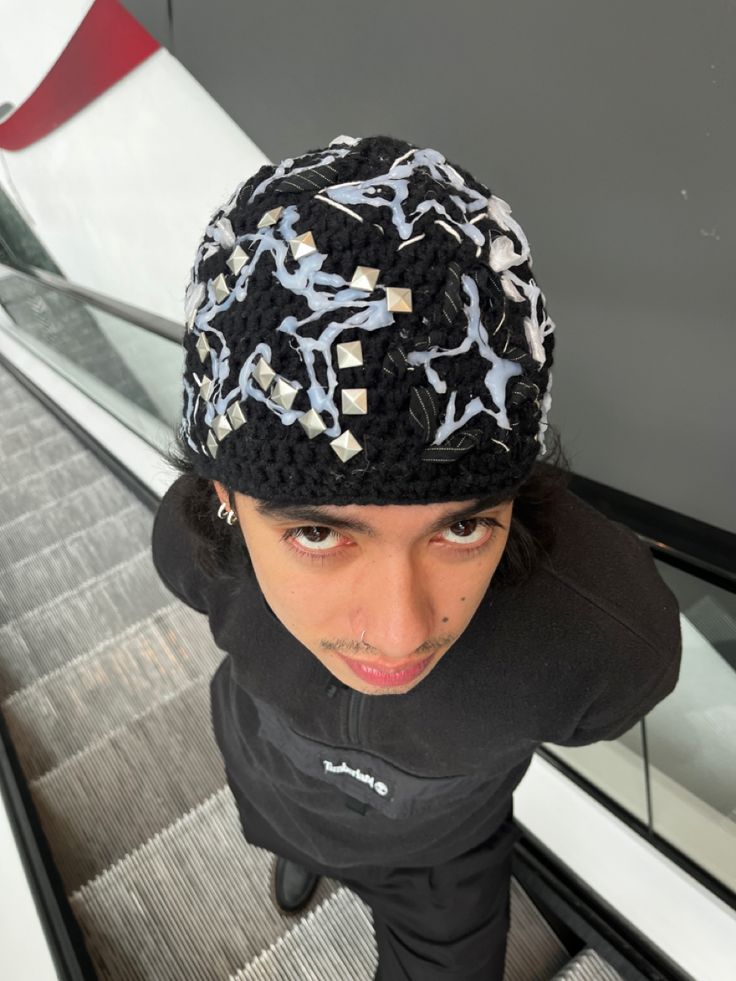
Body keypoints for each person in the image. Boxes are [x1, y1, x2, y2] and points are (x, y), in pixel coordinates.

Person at [151, 134, 682, 980]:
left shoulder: (604, 642)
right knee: (288, 823)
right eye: (318, 533)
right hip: (268, 781)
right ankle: (302, 851)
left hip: (445, 861)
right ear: (223, 498)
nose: (400, 635)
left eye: (464, 527)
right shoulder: (195, 548)